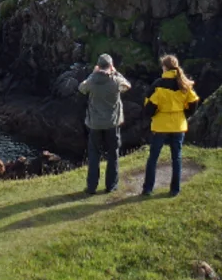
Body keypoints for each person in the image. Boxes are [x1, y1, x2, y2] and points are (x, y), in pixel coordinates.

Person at [141, 55, 199, 197]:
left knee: (153, 157)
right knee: (176, 157)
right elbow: (194, 102)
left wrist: (154, 114)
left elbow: (149, 106)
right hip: (178, 124)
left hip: (161, 125)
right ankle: (175, 190)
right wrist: (184, 114)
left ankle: (148, 189)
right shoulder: (184, 84)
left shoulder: (158, 85)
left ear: (164, 67)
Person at [78, 53, 131, 194]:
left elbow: (81, 88)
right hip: (112, 123)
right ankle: (111, 186)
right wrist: (116, 72)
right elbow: (127, 86)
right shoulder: (115, 81)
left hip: (95, 124)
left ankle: (91, 187)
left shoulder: (92, 81)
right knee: (113, 154)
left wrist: (92, 75)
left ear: (98, 66)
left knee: (94, 155)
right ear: (111, 66)